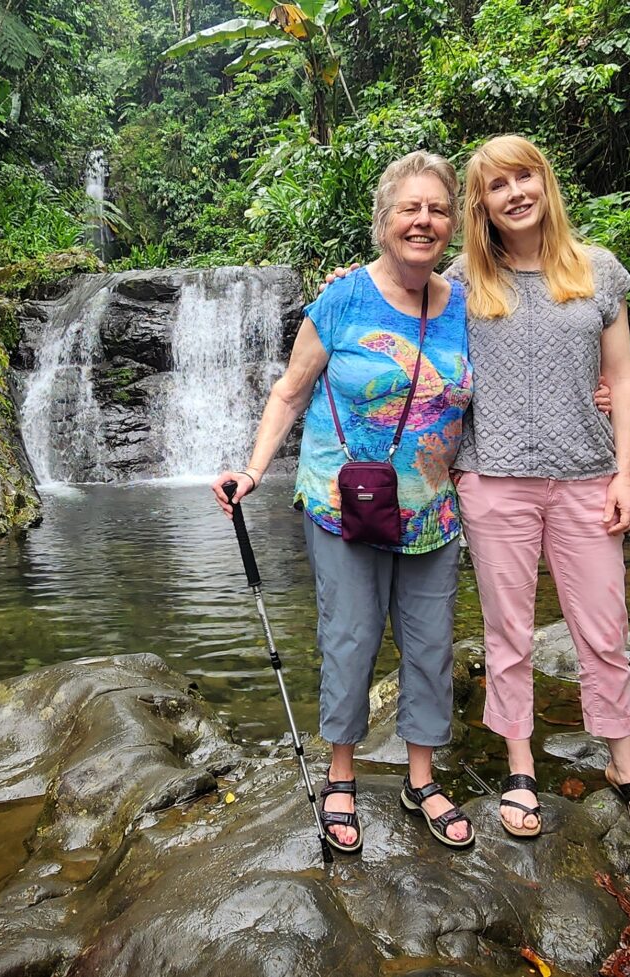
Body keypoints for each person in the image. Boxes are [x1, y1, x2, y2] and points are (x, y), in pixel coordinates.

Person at [212, 151, 476, 852]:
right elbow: (290, 392)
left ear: (452, 221)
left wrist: (598, 391)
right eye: (409, 208)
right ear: (383, 219)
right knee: (349, 637)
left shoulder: (467, 306)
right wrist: (253, 469)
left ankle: (422, 777)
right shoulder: (342, 299)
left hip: (430, 509)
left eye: (437, 208)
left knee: (428, 645)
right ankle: (341, 775)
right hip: (342, 501)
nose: (424, 220)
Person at [449, 134, 630, 845]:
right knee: (508, 633)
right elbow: (396, 300)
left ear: (545, 184)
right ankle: (520, 764)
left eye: (524, 177)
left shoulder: (597, 270)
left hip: (586, 478)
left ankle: (623, 761)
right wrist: (346, 284)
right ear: (480, 204)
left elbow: (624, 376)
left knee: (604, 630)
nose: (514, 193)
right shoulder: (461, 281)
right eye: (496, 185)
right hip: (495, 481)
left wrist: (626, 471)